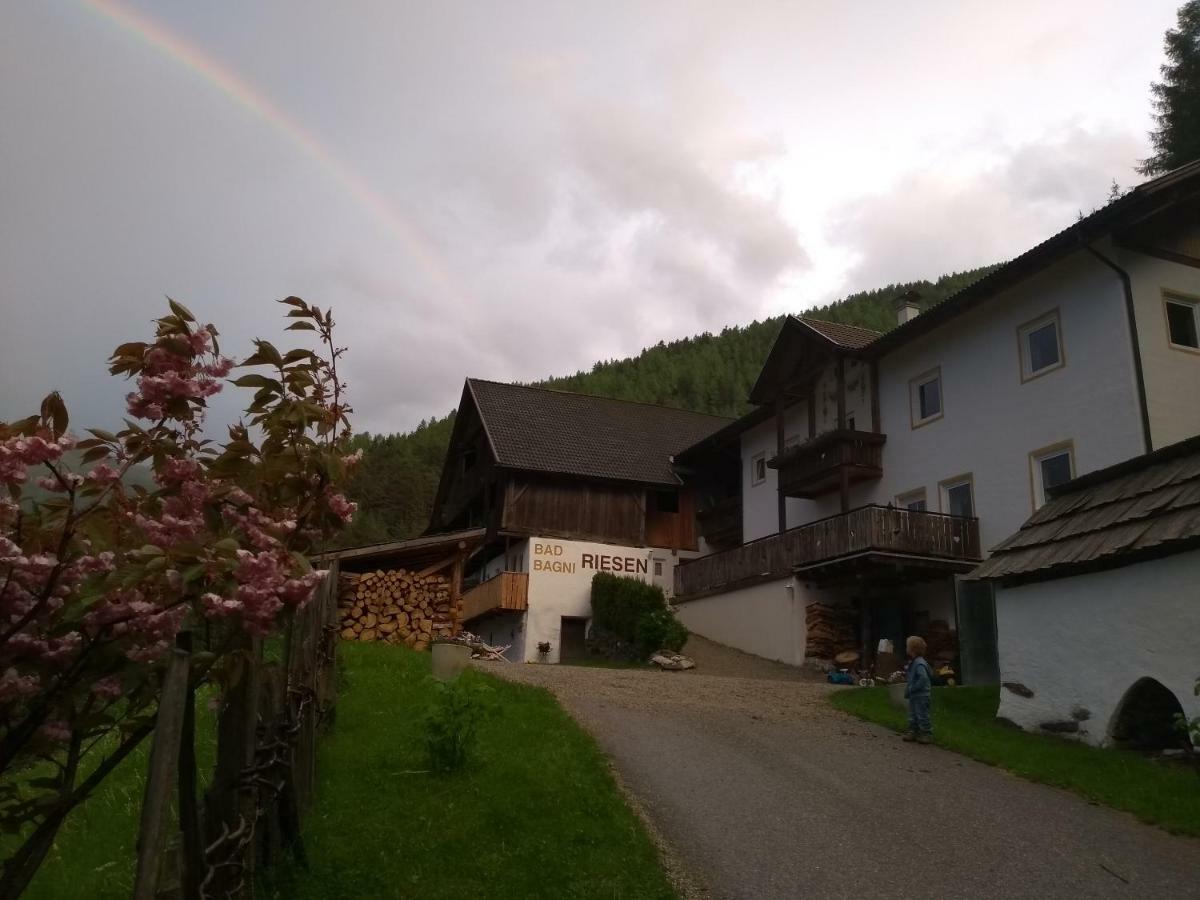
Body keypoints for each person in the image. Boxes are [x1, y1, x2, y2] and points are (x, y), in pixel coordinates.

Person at [903, 635, 933, 744]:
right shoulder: (914, 662)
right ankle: (913, 731)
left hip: (921, 695)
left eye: (907, 647)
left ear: (912, 650)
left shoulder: (919, 663)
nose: (906, 648)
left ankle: (926, 733)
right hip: (914, 695)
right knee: (913, 714)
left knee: (922, 714)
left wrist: (913, 688)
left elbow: (923, 678)